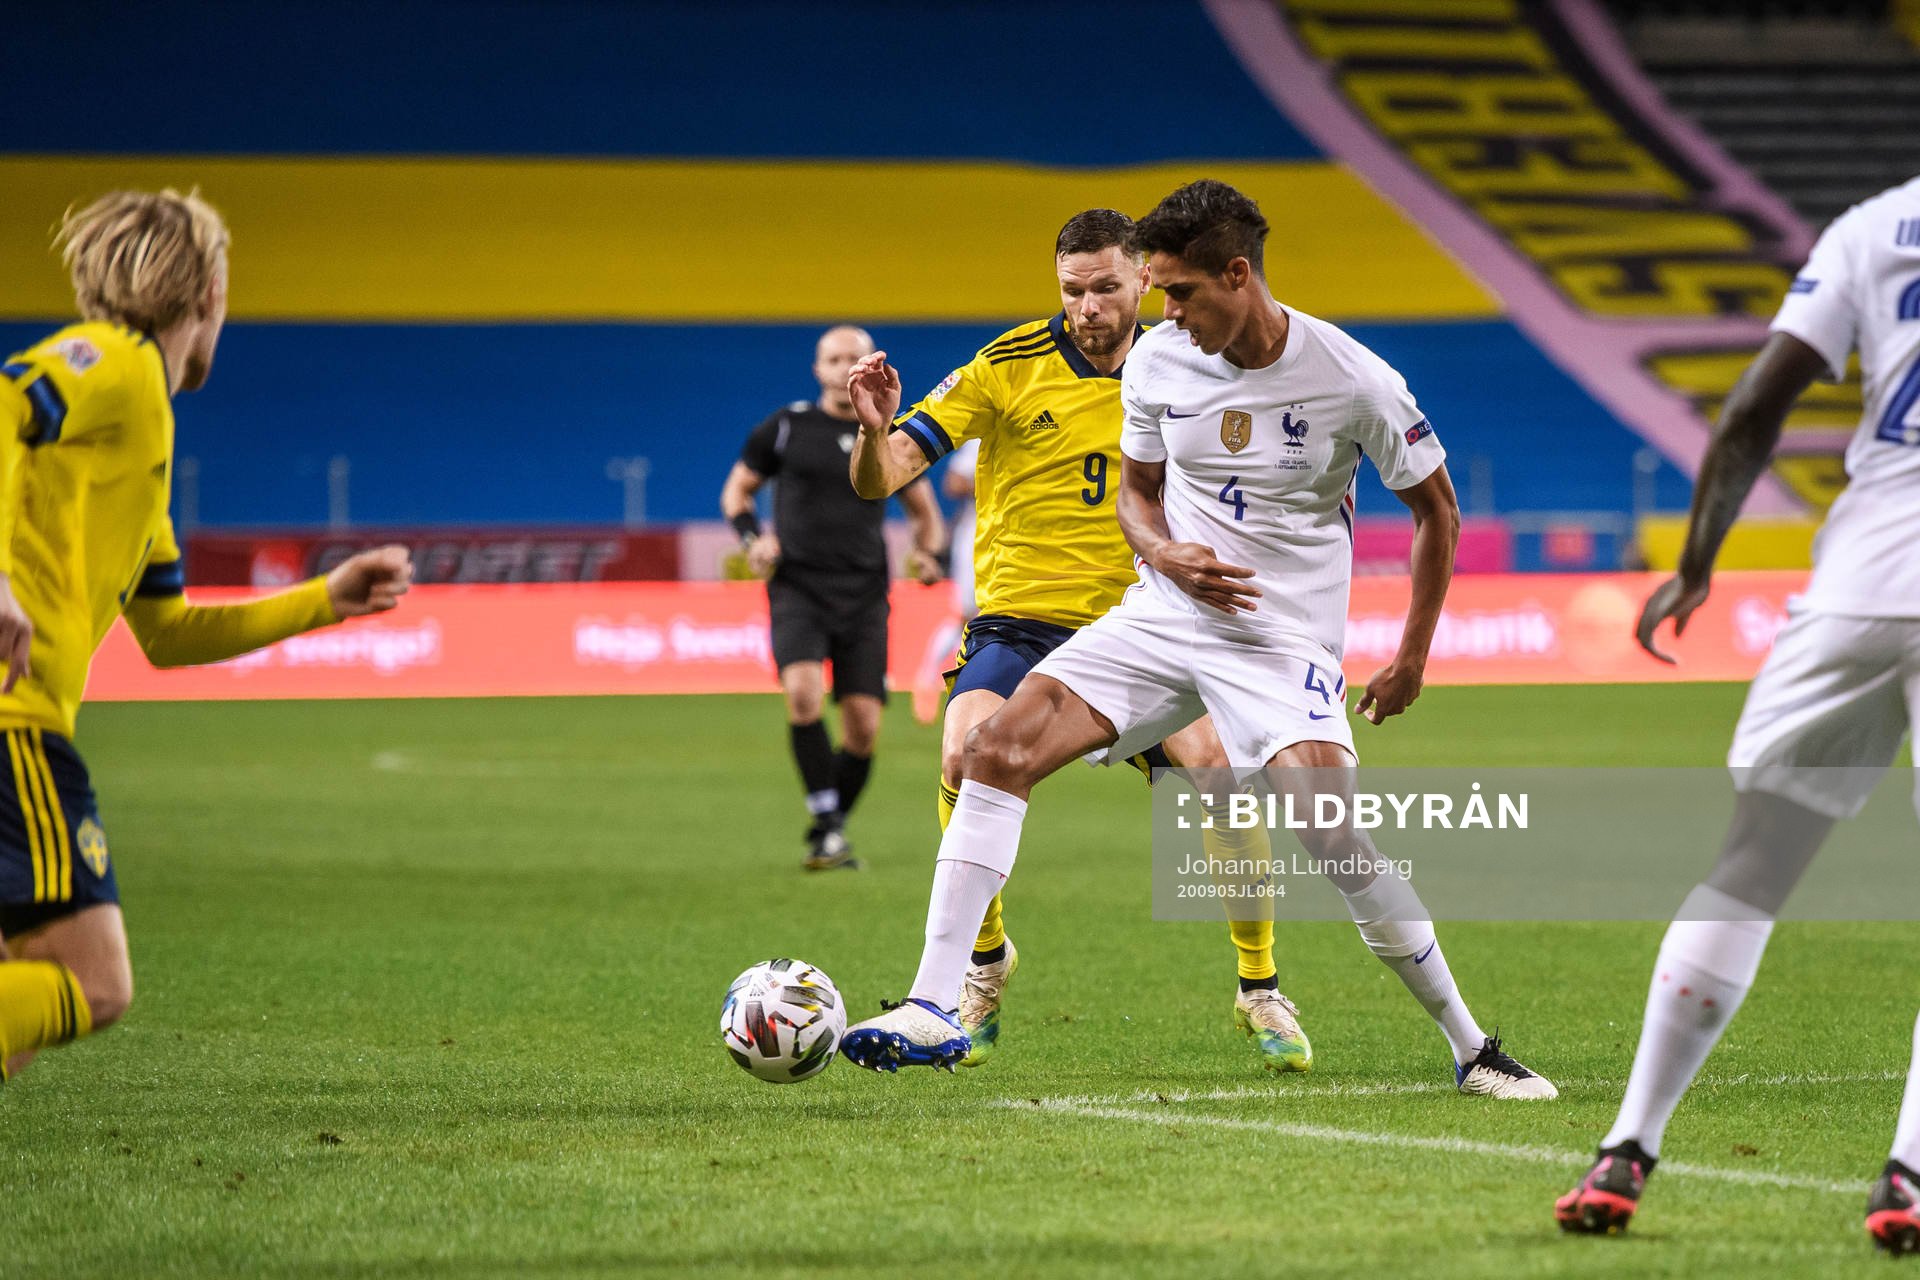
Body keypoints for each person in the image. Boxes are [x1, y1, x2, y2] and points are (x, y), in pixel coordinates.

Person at [842, 182, 1555, 1098]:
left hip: (1276, 639)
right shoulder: (1162, 365)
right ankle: (935, 1004)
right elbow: (1138, 496)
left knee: (1329, 831)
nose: (1161, 313)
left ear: (1238, 273)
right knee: (992, 749)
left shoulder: (1353, 378)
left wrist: (1411, 657)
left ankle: (1470, 1047)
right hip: (1160, 614)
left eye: (1175, 293)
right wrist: (1164, 554)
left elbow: (1438, 513)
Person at [849, 210, 1309, 1072]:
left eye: (1105, 287)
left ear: (1143, 280)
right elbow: (887, 478)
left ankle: (1259, 985)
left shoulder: (1196, 366)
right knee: (963, 754)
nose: (1089, 307)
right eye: (1072, 291)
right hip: (1021, 623)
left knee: (1215, 774)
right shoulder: (1007, 365)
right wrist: (874, 433)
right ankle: (981, 968)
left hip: (1148, 622)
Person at [1556, 173, 1920, 1250]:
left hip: (1861, 580)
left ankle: (1628, 1142)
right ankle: (1907, 1174)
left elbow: (1758, 402)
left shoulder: (1874, 225)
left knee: (1753, 862)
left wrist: (1699, 560)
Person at [0, 188, 414, 1079]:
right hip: (13, 725)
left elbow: (169, 633)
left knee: (24, 1010)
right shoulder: (117, 361)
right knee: (93, 985)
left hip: (28, 722)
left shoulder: (140, 438)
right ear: (209, 293)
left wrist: (323, 600)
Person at [721, 326, 945, 871]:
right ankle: (828, 826)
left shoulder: (886, 435)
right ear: (819, 369)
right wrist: (755, 539)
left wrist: (928, 554)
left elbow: (925, 514)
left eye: (854, 357)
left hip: (865, 591)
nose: (844, 366)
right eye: (833, 358)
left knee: (863, 729)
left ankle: (830, 826)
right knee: (802, 695)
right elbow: (737, 492)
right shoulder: (785, 427)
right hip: (798, 584)